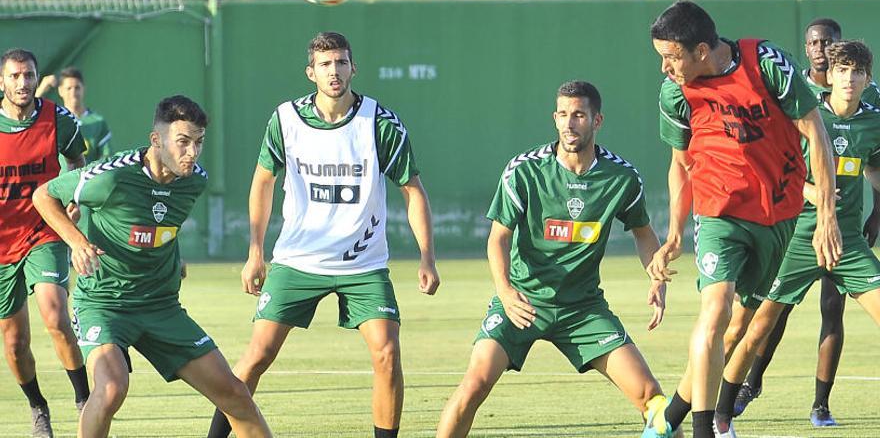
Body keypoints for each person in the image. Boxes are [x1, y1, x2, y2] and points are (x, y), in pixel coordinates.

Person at [206, 31, 440, 438]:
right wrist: (255, 251)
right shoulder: (286, 119)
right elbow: (262, 181)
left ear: (353, 68)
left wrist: (427, 255)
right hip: (298, 261)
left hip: (363, 265)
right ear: (310, 72)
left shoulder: (379, 123)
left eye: (341, 63)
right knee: (257, 355)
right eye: (326, 65)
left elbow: (412, 189)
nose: (335, 71)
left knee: (387, 353)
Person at [436, 80, 678, 438]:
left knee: (654, 400)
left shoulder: (621, 178)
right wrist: (504, 292)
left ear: (597, 121)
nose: (569, 123)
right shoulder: (524, 170)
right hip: (521, 301)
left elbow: (643, 234)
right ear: (554, 118)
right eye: (563, 114)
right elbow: (497, 239)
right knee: (474, 385)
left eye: (579, 115)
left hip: (583, 309)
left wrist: (655, 277)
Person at [647, 0, 842, 438]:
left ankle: (668, 421)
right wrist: (676, 233)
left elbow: (815, 130)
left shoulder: (765, 63)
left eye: (671, 56)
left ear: (701, 50)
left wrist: (826, 213)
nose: (664, 68)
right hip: (718, 212)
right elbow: (680, 164)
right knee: (714, 311)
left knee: (741, 329)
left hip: (778, 213)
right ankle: (703, 432)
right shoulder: (675, 92)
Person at [32, 95, 272, 438]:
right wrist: (77, 241)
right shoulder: (111, 177)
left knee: (235, 394)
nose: (192, 152)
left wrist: (173, 256)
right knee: (112, 387)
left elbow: (159, 227)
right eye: (183, 142)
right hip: (105, 304)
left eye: (199, 142)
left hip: (161, 306)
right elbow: (44, 196)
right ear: (156, 140)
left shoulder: (194, 181)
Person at [718, 40, 880, 431]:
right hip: (797, 234)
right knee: (758, 326)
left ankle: (819, 406)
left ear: (868, 78)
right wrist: (813, 191)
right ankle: (720, 414)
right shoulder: (806, 116)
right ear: (830, 75)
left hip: (847, 240)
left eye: (857, 71)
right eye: (842, 70)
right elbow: (775, 170)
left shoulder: (874, 121)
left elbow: (874, 169)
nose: (849, 78)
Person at [0, 48, 89, 437]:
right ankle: (38, 407)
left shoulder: (58, 119)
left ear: (38, 78)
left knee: (55, 315)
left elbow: (79, 163)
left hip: (44, 231)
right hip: (2, 243)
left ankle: (86, 401)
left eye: (29, 75)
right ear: (2, 81)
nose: (23, 83)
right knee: (15, 342)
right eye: (15, 76)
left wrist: (74, 197)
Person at [36, 67, 112, 164]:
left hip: (89, 178)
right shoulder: (53, 119)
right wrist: (42, 88)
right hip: (61, 178)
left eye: (77, 87)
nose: (73, 93)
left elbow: (106, 157)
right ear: (60, 91)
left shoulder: (98, 123)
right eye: (69, 88)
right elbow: (28, 112)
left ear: (83, 89)